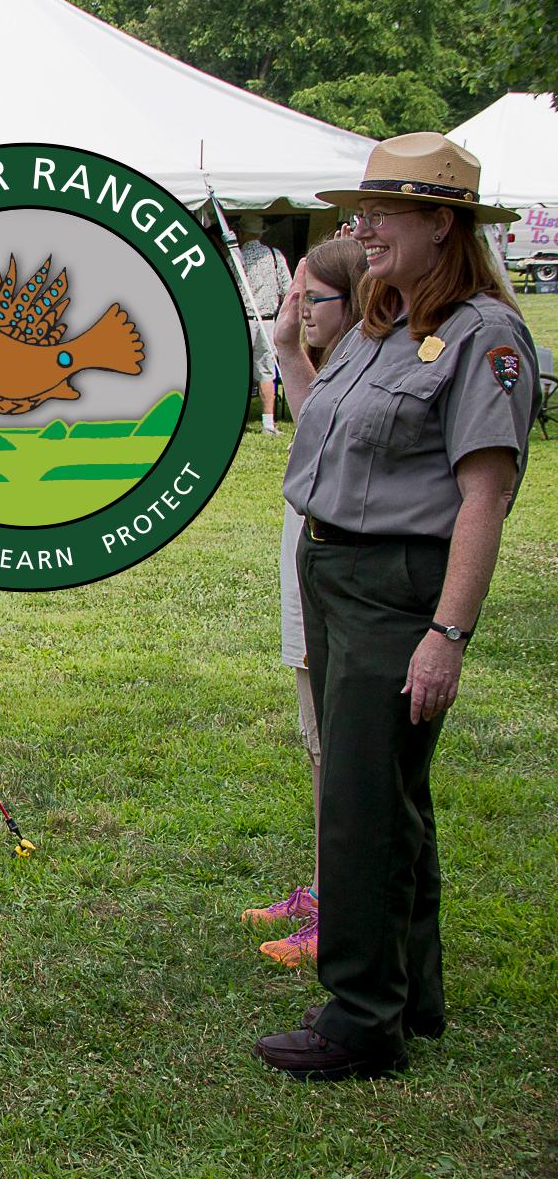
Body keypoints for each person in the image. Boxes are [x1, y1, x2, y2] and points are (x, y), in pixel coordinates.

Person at [254, 133, 540, 1080]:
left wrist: (446, 634)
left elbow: (484, 496)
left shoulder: (482, 336)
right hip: (330, 572)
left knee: (361, 801)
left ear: (439, 223)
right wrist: (294, 347)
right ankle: (411, 995)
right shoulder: (380, 323)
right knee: (388, 795)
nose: (360, 227)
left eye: (383, 212)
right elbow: (326, 437)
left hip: (395, 588)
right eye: (361, 208)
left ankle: (359, 1019)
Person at [242, 237, 368, 968]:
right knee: (318, 744)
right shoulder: (344, 370)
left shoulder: (374, 370)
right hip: (311, 582)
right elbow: (317, 429)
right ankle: (325, 888)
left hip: (344, 585)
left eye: (309, 298)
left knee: (341, 751)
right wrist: (290, 346)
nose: (294, 309)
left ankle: (341, 910)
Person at [236, 213, 291, 435]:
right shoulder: (275, 256)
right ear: (260, 233)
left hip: (242, 319)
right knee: (267, 371)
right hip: (268, 319)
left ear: (242, 233)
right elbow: (286, 288)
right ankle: (268, 423)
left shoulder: (236, 257)